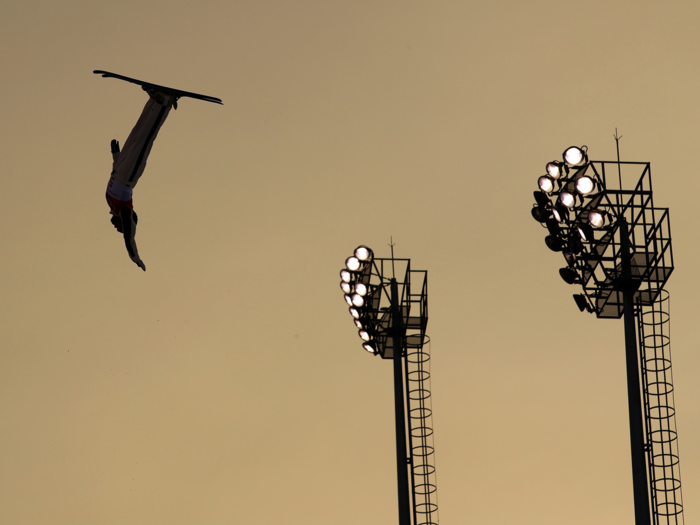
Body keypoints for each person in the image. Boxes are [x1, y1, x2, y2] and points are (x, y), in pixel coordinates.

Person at [106, 89, 178, 271]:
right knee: (145, 139)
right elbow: (129, 237)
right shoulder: (125, 211)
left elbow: (113, 176)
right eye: (121, 228)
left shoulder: (112, 206)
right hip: (129, 175)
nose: (118, 229)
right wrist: (134, 256)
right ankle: (165, 104)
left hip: (119, 167)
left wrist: (115, 155)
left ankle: (154, 102)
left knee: (137, 132)